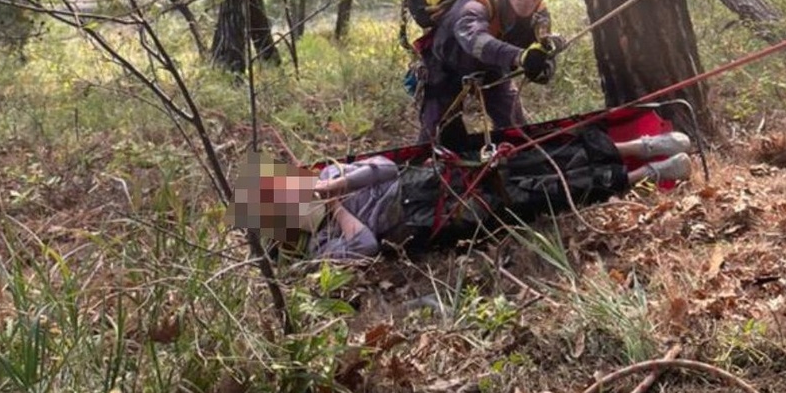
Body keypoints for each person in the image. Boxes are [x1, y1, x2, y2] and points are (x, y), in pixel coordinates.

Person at [240, 128, 695, 262]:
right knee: (536, 195)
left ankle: (637, 148)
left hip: (424, 179)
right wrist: (338, 211)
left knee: (525, 157)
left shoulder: (329, 175)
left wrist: (337, 185)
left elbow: (383, 166)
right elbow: (365, 245)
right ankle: (648, 175)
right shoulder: (318, 251)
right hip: (426, 219)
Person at [419, 0, 559, 151]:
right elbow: (474, 38)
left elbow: (545, 55)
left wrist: (542, 67)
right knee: (435, 141)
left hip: (492, 71)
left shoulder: (539, 16)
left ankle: (517, 170)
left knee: (516, 131)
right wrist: (521, 57)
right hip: (444, 69)